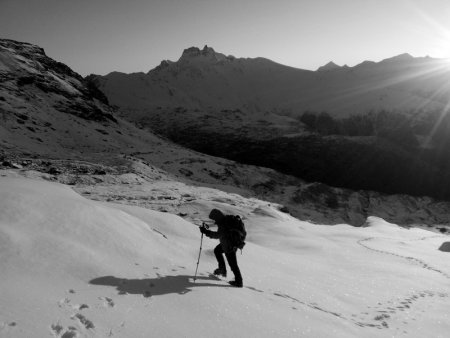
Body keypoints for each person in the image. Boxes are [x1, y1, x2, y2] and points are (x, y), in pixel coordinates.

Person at [200, 209, 243, 288]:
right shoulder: (225, 221)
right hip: (228, 243)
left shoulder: (224, 224)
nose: (214, 220)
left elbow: (217, 235)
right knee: (217, 250)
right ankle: (222, 269)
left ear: (217, 217)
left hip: (229, 246)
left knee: (233, 264)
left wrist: (206, 232)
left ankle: (239, 282)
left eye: (214, 218)